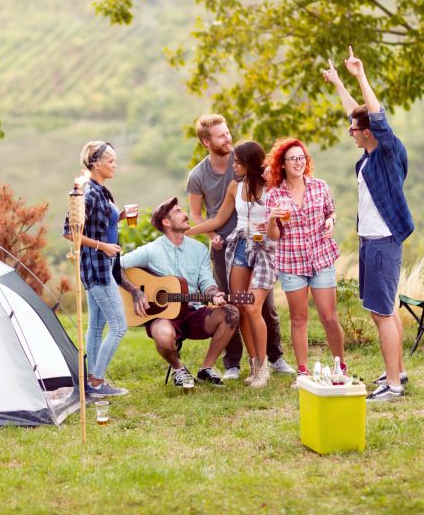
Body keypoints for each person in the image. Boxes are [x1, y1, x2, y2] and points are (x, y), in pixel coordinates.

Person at [322, 46, 415, 402]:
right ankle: (398, 372)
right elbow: (356, 113)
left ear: (369, 132)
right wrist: (338, 84)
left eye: (354, 130)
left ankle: (392, 387)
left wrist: (360, 76)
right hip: (370, 241)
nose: (351, 132)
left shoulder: (388, 152)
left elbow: (374, 116)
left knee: (380, 314)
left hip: (382, 240)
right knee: (387, 308)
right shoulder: (369, 155)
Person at [186, 114, 292, 380]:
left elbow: (287, 199)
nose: (229, 141)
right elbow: (217, 218)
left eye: (239, 161)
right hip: (237, 246)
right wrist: (184, 231)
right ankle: (251, 364)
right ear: (206, 141)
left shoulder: (270, 184)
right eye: (222, 135)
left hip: (264, 249)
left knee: (258, 307)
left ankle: (270, 360)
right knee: (241, 305)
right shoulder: (227, 183)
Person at [120, 197, 240, 388]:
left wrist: (214, 292)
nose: (185, 214)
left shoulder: (199, 249)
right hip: (164, 317)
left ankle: (206, 369)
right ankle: (179, 369)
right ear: (166, 223)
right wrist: (135, 291)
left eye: (182, 210)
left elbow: (206, 282)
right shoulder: (151, 250)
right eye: (178, 212)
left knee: (232, 313)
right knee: (162, 334)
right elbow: (116, 265)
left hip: (193, 311)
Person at [265, 137, 345, 385]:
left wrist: (331, 221)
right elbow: (274, 236)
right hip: (292, 262)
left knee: (329, 317)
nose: (298, 162)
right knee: (299, 319)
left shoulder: (320, 186)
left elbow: (330, 212)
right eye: (292, 159)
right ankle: (302, 370)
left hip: (321, 258)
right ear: (283, 164)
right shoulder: (274, 196)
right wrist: (271, 219)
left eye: (302, 157)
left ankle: (339, 365)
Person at [62, 140, 131, 398]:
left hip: (102, 266)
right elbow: (70, 232)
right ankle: (98, 382)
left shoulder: (101, 191)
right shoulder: (88, 193)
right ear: (96, 163)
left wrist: (120, 216)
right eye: (111, 161)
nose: (115, 165)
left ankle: (91, 383)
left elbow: (97, 225)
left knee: (97, 325)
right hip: (97, 268)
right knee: (119, 326)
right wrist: (103, 246)